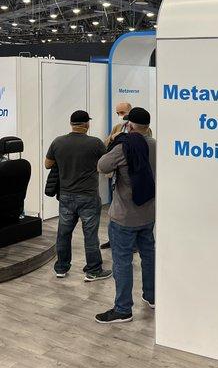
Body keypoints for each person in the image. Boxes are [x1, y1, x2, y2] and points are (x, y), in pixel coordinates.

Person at [95, 107, 156, 324]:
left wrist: (115, 140)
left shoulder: (124, 147)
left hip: (124, 215)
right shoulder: (155, 145)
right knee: (149, 255)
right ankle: (152, 296)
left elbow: (102, 165)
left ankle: (123, 309)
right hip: (148, 213)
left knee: (122, 262)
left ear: (129, 125)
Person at [45, 110, 112, 281]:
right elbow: (107, 164)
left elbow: (47, 164)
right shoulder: (95, 143)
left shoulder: (58, 142)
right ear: (87, 124)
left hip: (66, 196)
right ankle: (93, 270)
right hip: (88, 196)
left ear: (71, 124)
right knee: (90, 235)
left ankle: (61, 268)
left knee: (63, 233)